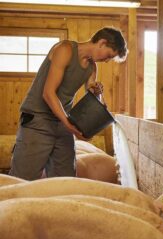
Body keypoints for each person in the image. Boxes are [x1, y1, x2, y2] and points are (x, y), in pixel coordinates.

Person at [9, 27, 128, 180]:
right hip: (38, 121)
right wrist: (69, 125)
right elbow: (48, 93)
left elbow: (91, 98)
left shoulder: (92, 67)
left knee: (65, 179)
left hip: (62, 122)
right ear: (102, 42)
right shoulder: (65, 50)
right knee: (22, 179)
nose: (106, 60)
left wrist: (96, 91)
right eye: (109, 56)